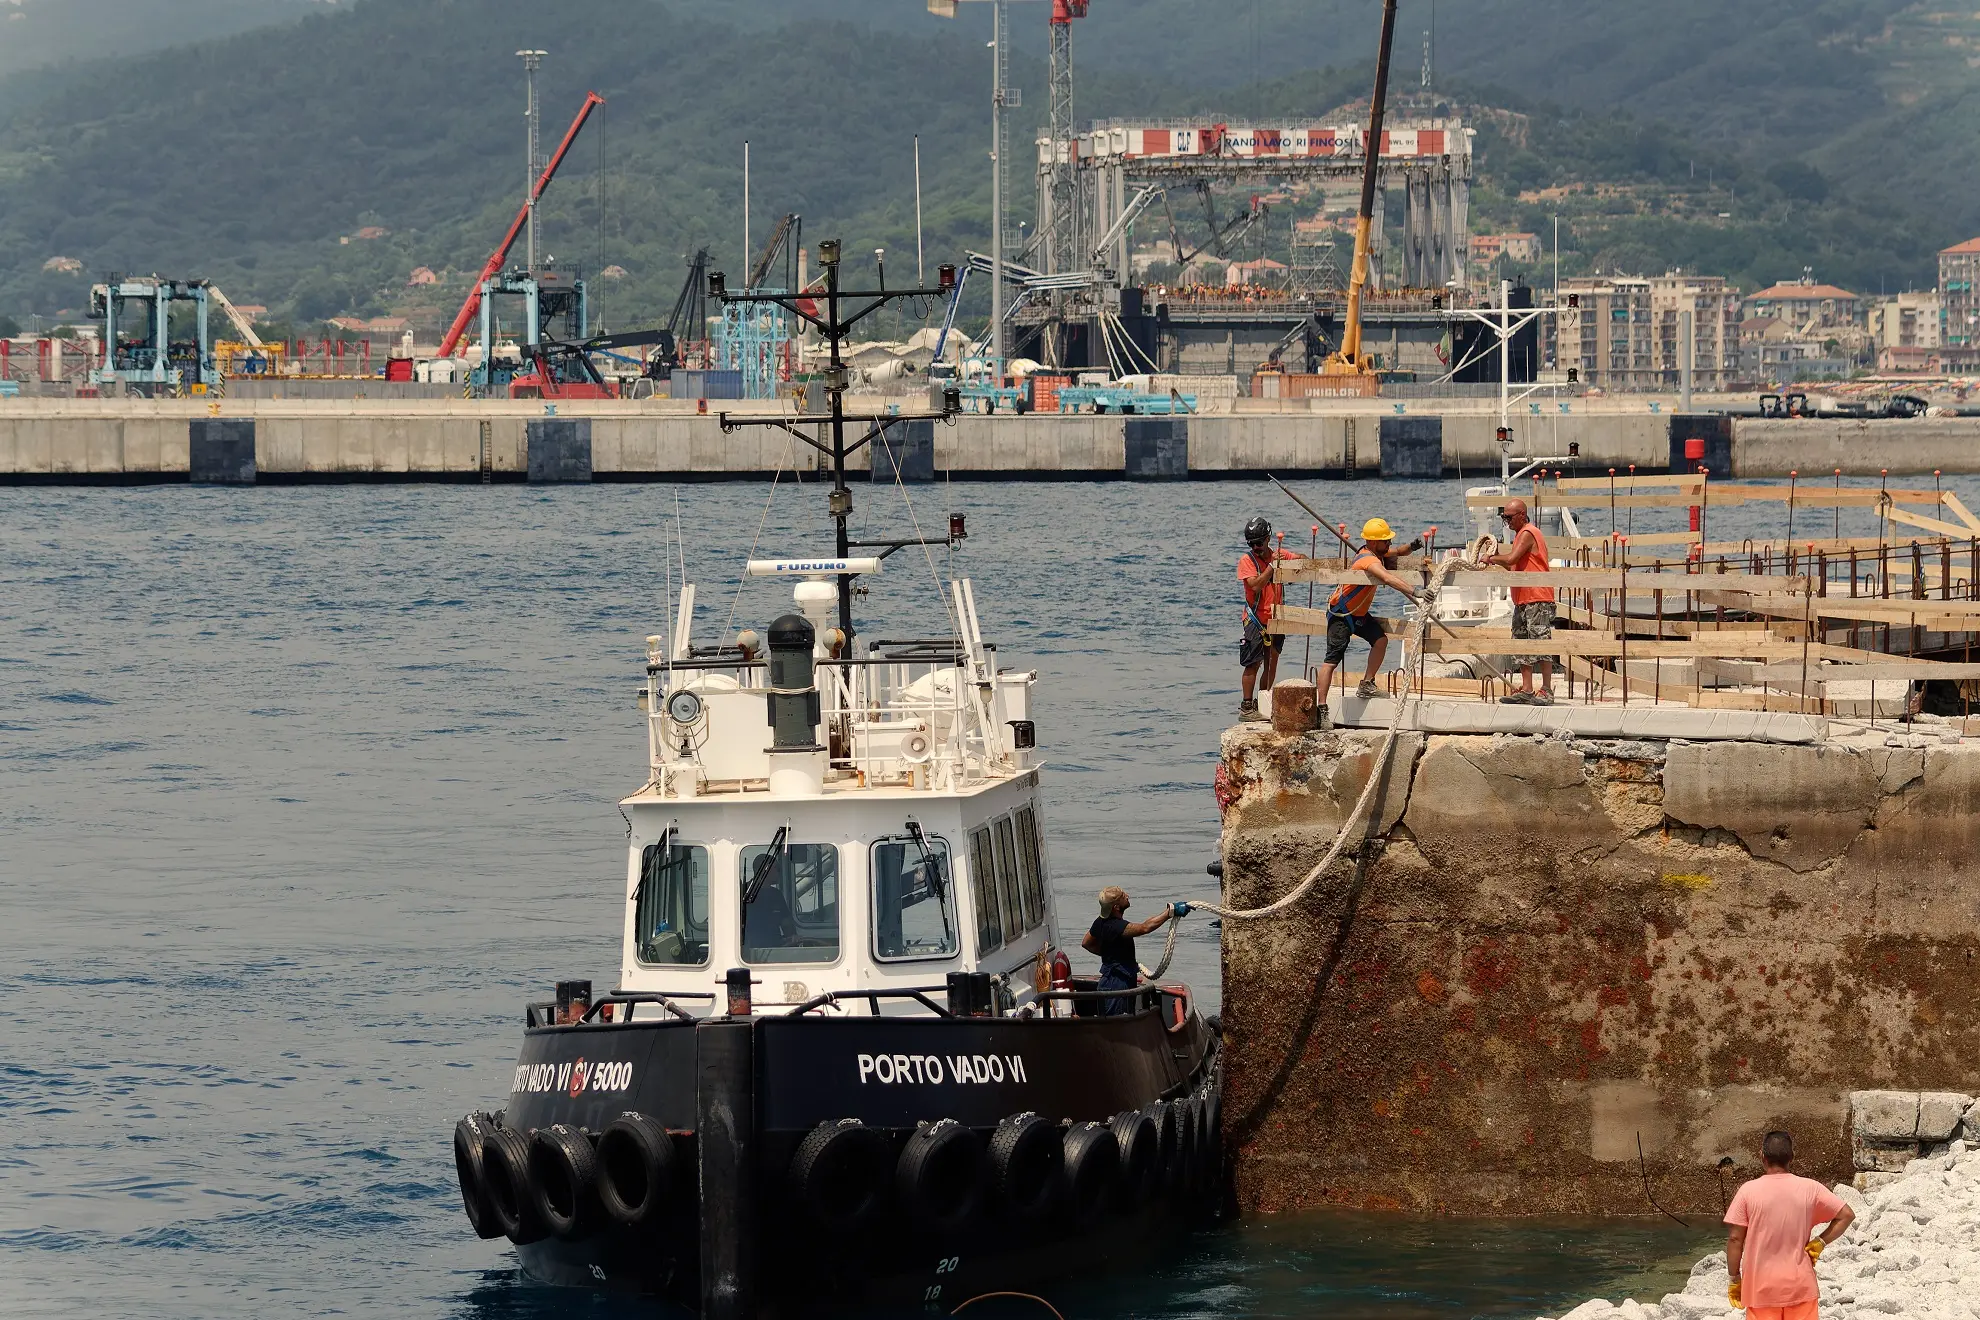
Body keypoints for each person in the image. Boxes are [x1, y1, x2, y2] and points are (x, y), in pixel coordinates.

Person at [1724, 1130, 1854, 1319]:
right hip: (1800, 1286)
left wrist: (1734, 1278)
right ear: (1791, 1157)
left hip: (1761, 1289)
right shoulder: (1811, 1188)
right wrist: (1820, 1242)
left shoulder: (1747, 1191)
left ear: (1762, 1156)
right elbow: (1847, 1215)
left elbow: (1736, 1239)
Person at [1312, 517, 1426, 721]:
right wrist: (1415, 591)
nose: (1389, 544)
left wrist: (1413, 546)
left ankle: (1366, 684)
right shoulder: (1368, 560)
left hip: (1359, 615)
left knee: (1380, 641)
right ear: (1373, 542)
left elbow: (1399, 552)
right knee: (1331, 661)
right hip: (1342, 614)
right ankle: (1322, 708)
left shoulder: (1377, 553)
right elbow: (1387, 578)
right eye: (1385, 541)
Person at [1484, 497, 1556, 705]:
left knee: (1540, 643)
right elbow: (1513, 566)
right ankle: (1526, 689)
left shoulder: (1527, 533)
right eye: (1504, 517)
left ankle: (1547, 690)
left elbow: (1511, 560)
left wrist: (1491, 558)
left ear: (1522, 515)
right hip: (1524, 599)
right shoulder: (1519, 536)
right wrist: (1497, 557)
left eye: (1509, 517)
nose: (1507, 521)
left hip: (1537, 597)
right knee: (1521, 641)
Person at [1082, 887, 1186, 1015]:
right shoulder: (1116, 926)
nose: (1127, 895)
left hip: (1114, 979)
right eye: (1123, 896)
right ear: (1116, 907)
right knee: (1118, 1021)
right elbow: (1144, 928)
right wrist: (1170, 912)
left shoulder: (1100, 922)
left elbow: (1086, 943)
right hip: (1117, 983)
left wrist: (1111, 955)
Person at [1237, 517, 1302, 721]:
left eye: (1259, 543)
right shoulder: (1247, 561)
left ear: (1268, 539)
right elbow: (1255, 585)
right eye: (1251, 544)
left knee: (1271, 662)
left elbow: (1302, 558)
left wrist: (1295, 568)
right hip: (1256, 619)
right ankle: (1247, 707)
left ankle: (1263, 703)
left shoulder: (1279, 555)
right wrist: (1272, 567)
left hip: (1276, 619)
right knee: (1253, 663)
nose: (1255, 547)